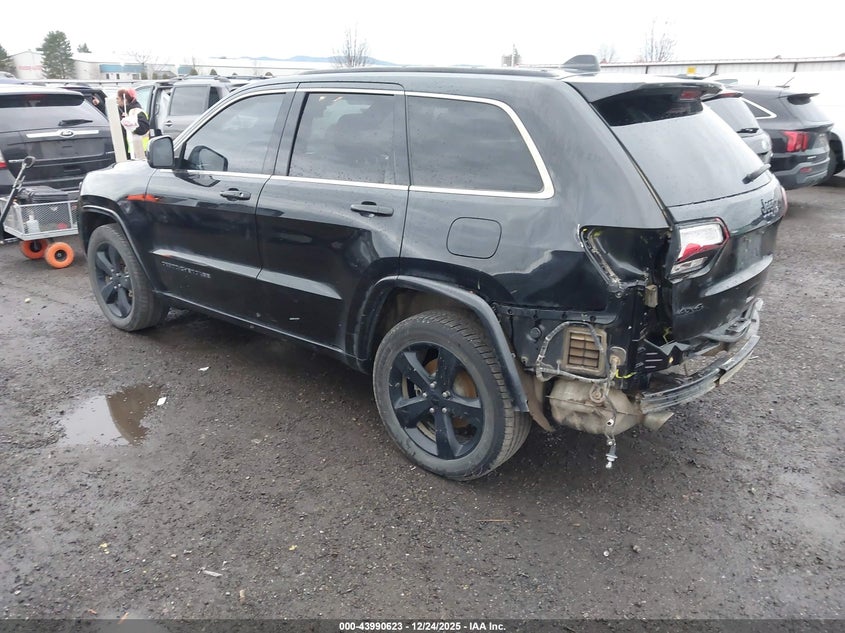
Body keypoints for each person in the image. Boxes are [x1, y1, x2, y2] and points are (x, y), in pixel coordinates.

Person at [116, 88, 150, 160]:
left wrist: (131, 124)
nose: (117, 101)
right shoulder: (122, 111)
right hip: (129, 150)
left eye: (118, 99)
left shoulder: (137, 112)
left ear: (124, 100)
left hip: (139, 150)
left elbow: (143, 129)